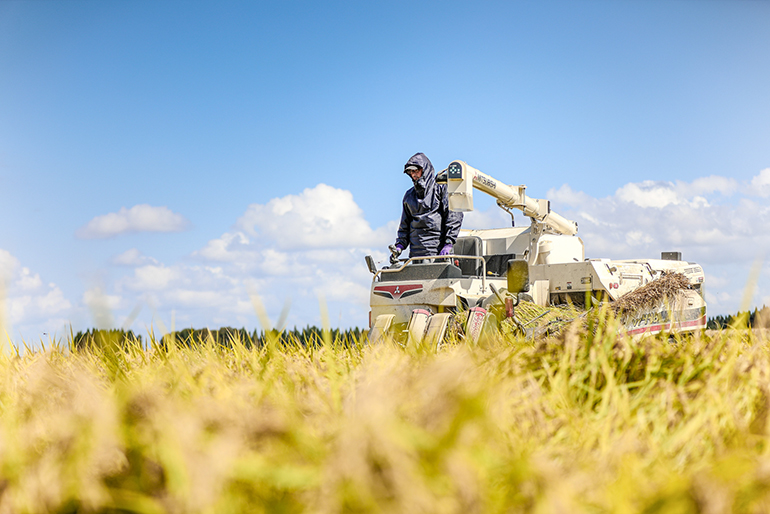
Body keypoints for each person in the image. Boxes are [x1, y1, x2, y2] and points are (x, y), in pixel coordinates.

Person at [389, 153, 463, 265]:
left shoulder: (441, 190)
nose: (413, 175)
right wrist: (399, 246)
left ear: (425, 170)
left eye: (416, 171)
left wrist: (448, 243)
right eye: (411, 172)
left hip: (438, 253)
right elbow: (405, 225)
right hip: (415, 255)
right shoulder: (409, 196)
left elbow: (453, 216)